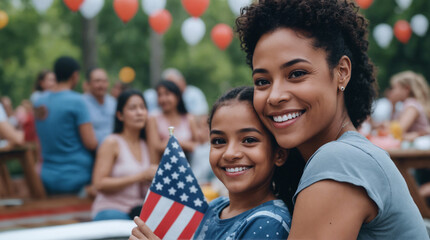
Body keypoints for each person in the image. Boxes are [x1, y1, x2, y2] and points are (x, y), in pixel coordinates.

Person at [235, 0, 428, 239]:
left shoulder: (339, 161)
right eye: (263, 81)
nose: (275, 96)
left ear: (341, 72)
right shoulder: (333, 157)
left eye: (296, 74)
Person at [130, 86, 292, 240]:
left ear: (279, 154)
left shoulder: (270, 222)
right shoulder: (214, 207)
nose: (230, 154)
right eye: (219, 140)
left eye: (249, 140)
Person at [34, 56, 98, 195]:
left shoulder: (39, 101)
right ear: (75, 75)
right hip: (77, 176)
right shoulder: (77, 101)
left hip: (46, 176)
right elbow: (91, 143)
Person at [92, 89, 158, 221]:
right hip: (111, 210)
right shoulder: (112, 142)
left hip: (137, 211)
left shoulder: (145, 145)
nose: (139, 112)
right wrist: (139, 176)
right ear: (120, 115)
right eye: (133, 108)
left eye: (142, 107)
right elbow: (99, 183)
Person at [148, 80, 199, 160]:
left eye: (167, 94)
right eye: (159, 95)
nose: (163, 99)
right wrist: (184, 144)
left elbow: (198, 146)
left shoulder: (188, 118)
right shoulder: (154, 118)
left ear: (177, 96)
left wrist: (175, 143)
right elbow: (155, 147)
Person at [389, 71, 430, 140]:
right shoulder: (407, 104)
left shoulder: (411, 105)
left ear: (407, 89)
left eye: (394, 88)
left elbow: (397, 132)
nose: (392, 92)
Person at [83, 67, 117, 145]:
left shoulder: (113, 102)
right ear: (88, 84)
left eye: (104, 81)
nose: (101, 85)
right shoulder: (82, 104)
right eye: (97, 81)